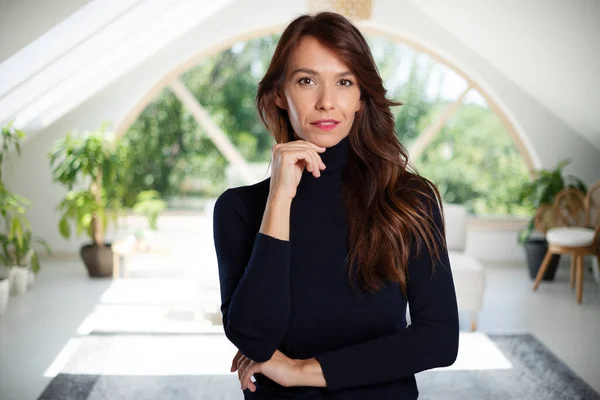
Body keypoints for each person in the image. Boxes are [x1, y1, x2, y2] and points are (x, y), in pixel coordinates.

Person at [213, 11, 459, 399]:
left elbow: (440, 339)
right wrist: (279, 198)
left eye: (344, 82)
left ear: (361, 98)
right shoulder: (240, 209)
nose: (327, 102)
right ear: (280, 93)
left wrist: (301, 371)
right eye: (307, 80)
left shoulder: (408, 200)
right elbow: (255, 340)